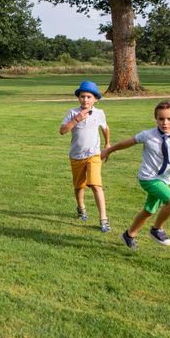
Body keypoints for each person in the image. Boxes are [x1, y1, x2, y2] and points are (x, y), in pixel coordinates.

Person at [101, 100, 170, 249]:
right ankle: (156, 229)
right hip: (148, 178)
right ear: (156, 119)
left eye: (169, 119)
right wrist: (108, 150)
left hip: (164, 180)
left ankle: (129, 235)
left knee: (149, 211)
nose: (165, 123)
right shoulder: (147, 135)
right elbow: (125, 143)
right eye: (161, 119)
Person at [60, 80, 111, 233]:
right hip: (76, 156)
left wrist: (107, 144)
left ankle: (104, 219)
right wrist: (76, 120)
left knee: (96, 185)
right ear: (78, 98)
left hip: (94, 155)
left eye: (89, 97)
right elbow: (62, 131)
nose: (85, 100)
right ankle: (81, 207)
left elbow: (105, 127)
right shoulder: (72, 112)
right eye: (82, 96)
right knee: (79, 186)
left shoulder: (99, 113)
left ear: (95, 99)